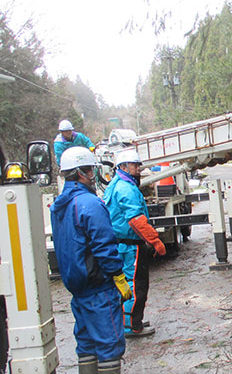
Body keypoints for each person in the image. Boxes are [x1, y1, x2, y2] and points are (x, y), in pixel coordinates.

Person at [50, 147, 132, 374]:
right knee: (109, 345)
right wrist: (118, 277)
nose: (93, 176)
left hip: (77, 287)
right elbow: (104, 247)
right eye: (90, 170)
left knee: (86, 344)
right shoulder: (90, 204)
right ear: (81, 173)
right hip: (99, 287)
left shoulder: (58, 206)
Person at [102, 149, 166, 338]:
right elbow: (136, 219)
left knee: (125, 284)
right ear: (123, 167)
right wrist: (154, 241)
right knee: (135, 285)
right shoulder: (126, 189)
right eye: (135, 165)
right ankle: (132, 326)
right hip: (130, 245)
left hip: (120, 243)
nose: (139, 168)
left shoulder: (115, 184)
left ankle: (129, 320)